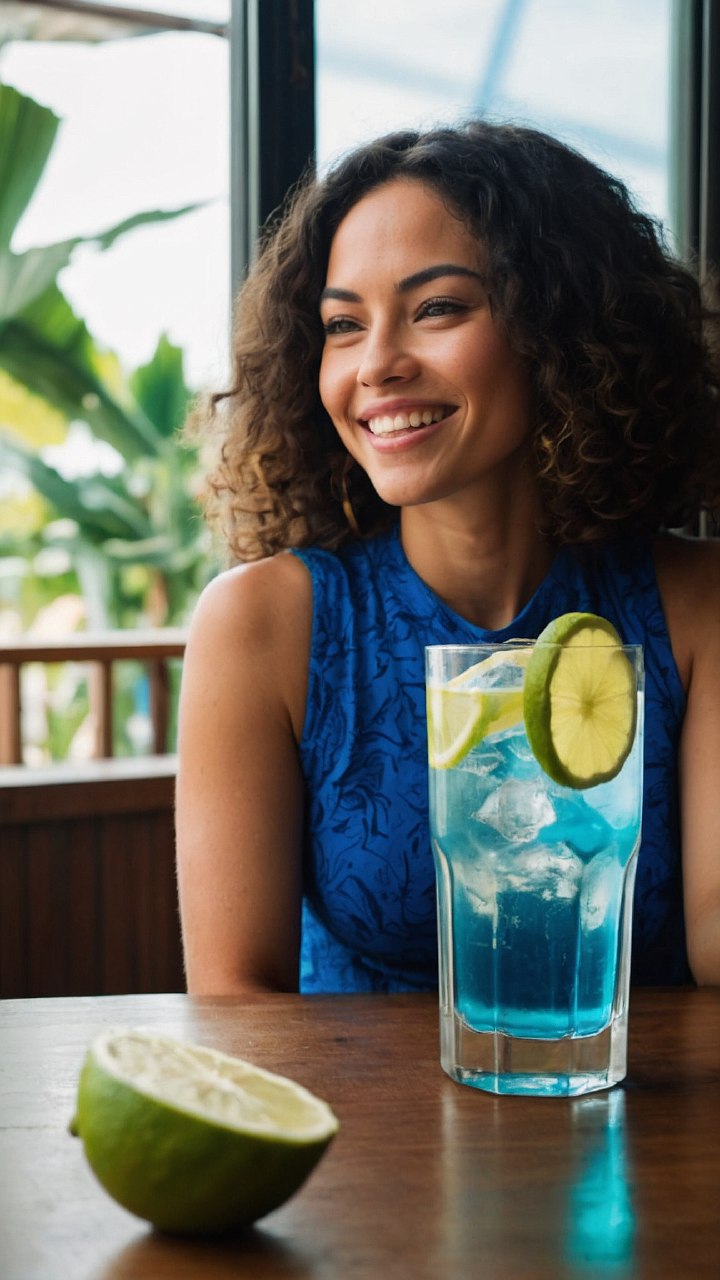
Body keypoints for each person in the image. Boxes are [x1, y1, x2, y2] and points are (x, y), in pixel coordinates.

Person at [175, 120, 720, 996]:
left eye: (436, 309)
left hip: (633, 1124)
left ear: (563, 332)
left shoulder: (696, 604)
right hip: (361, 1129)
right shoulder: (263, 625)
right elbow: (237, 1000)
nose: (378, 364)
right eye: (344, 325)